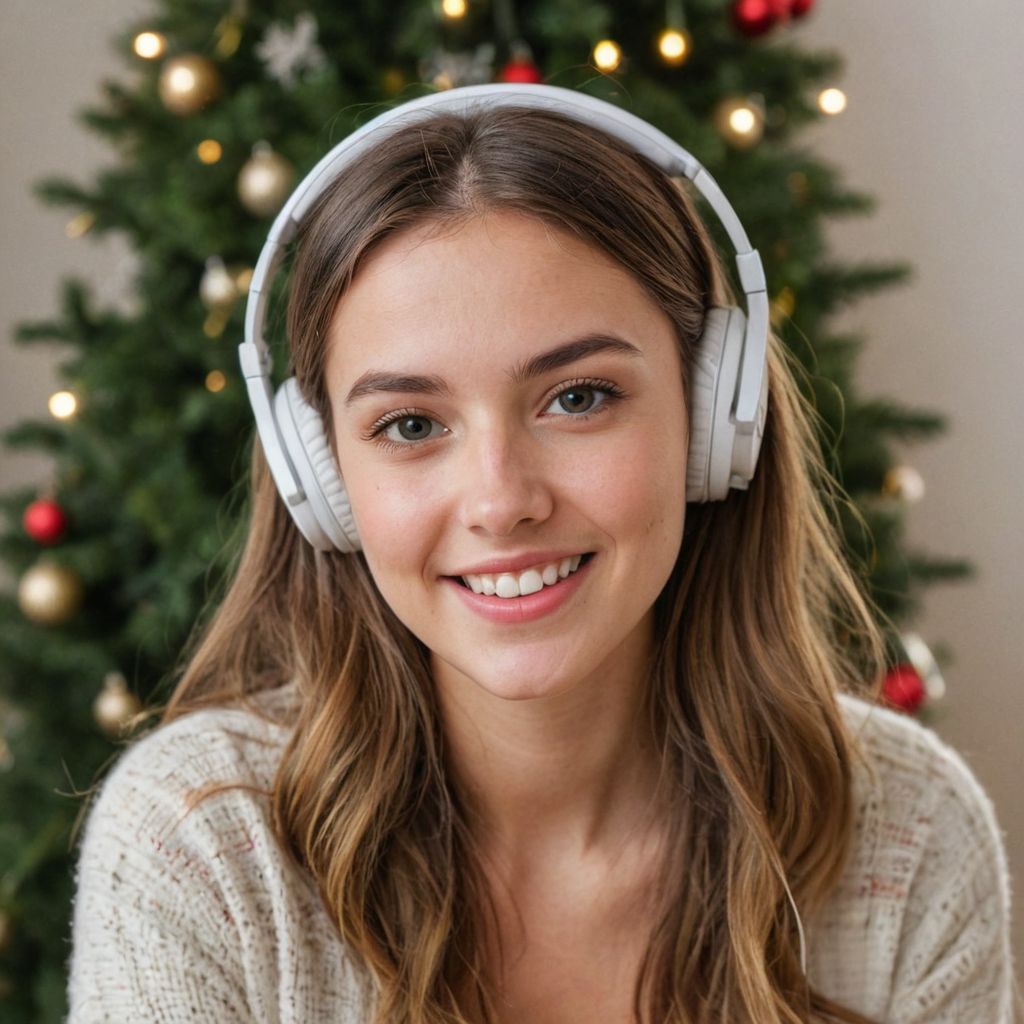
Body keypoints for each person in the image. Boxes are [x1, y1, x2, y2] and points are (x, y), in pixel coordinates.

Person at [66, 84, 1016, 1023]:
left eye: (578, 398)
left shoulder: (911, 834)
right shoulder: (198, 849)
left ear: (711, 416)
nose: (500, 501)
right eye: (408, 423)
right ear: (323, 479)